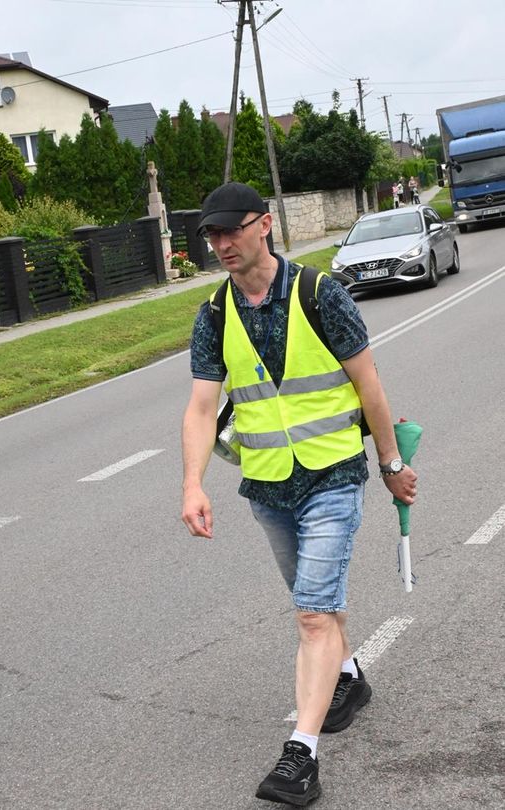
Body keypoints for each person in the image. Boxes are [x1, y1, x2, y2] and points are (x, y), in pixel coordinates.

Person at [181, 182, 418, 806]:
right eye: (212, 234)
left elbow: (368, 385)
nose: (221, 243)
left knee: (312, 612)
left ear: (264, 226)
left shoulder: (320, 293)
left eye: (231, 229)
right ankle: (348, 676)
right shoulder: (213, 315)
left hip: (332, 473)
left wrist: (390, 463)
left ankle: (300, 755)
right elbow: (202, 408)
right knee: (317, 599)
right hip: (267, 486)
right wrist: (192, 484)